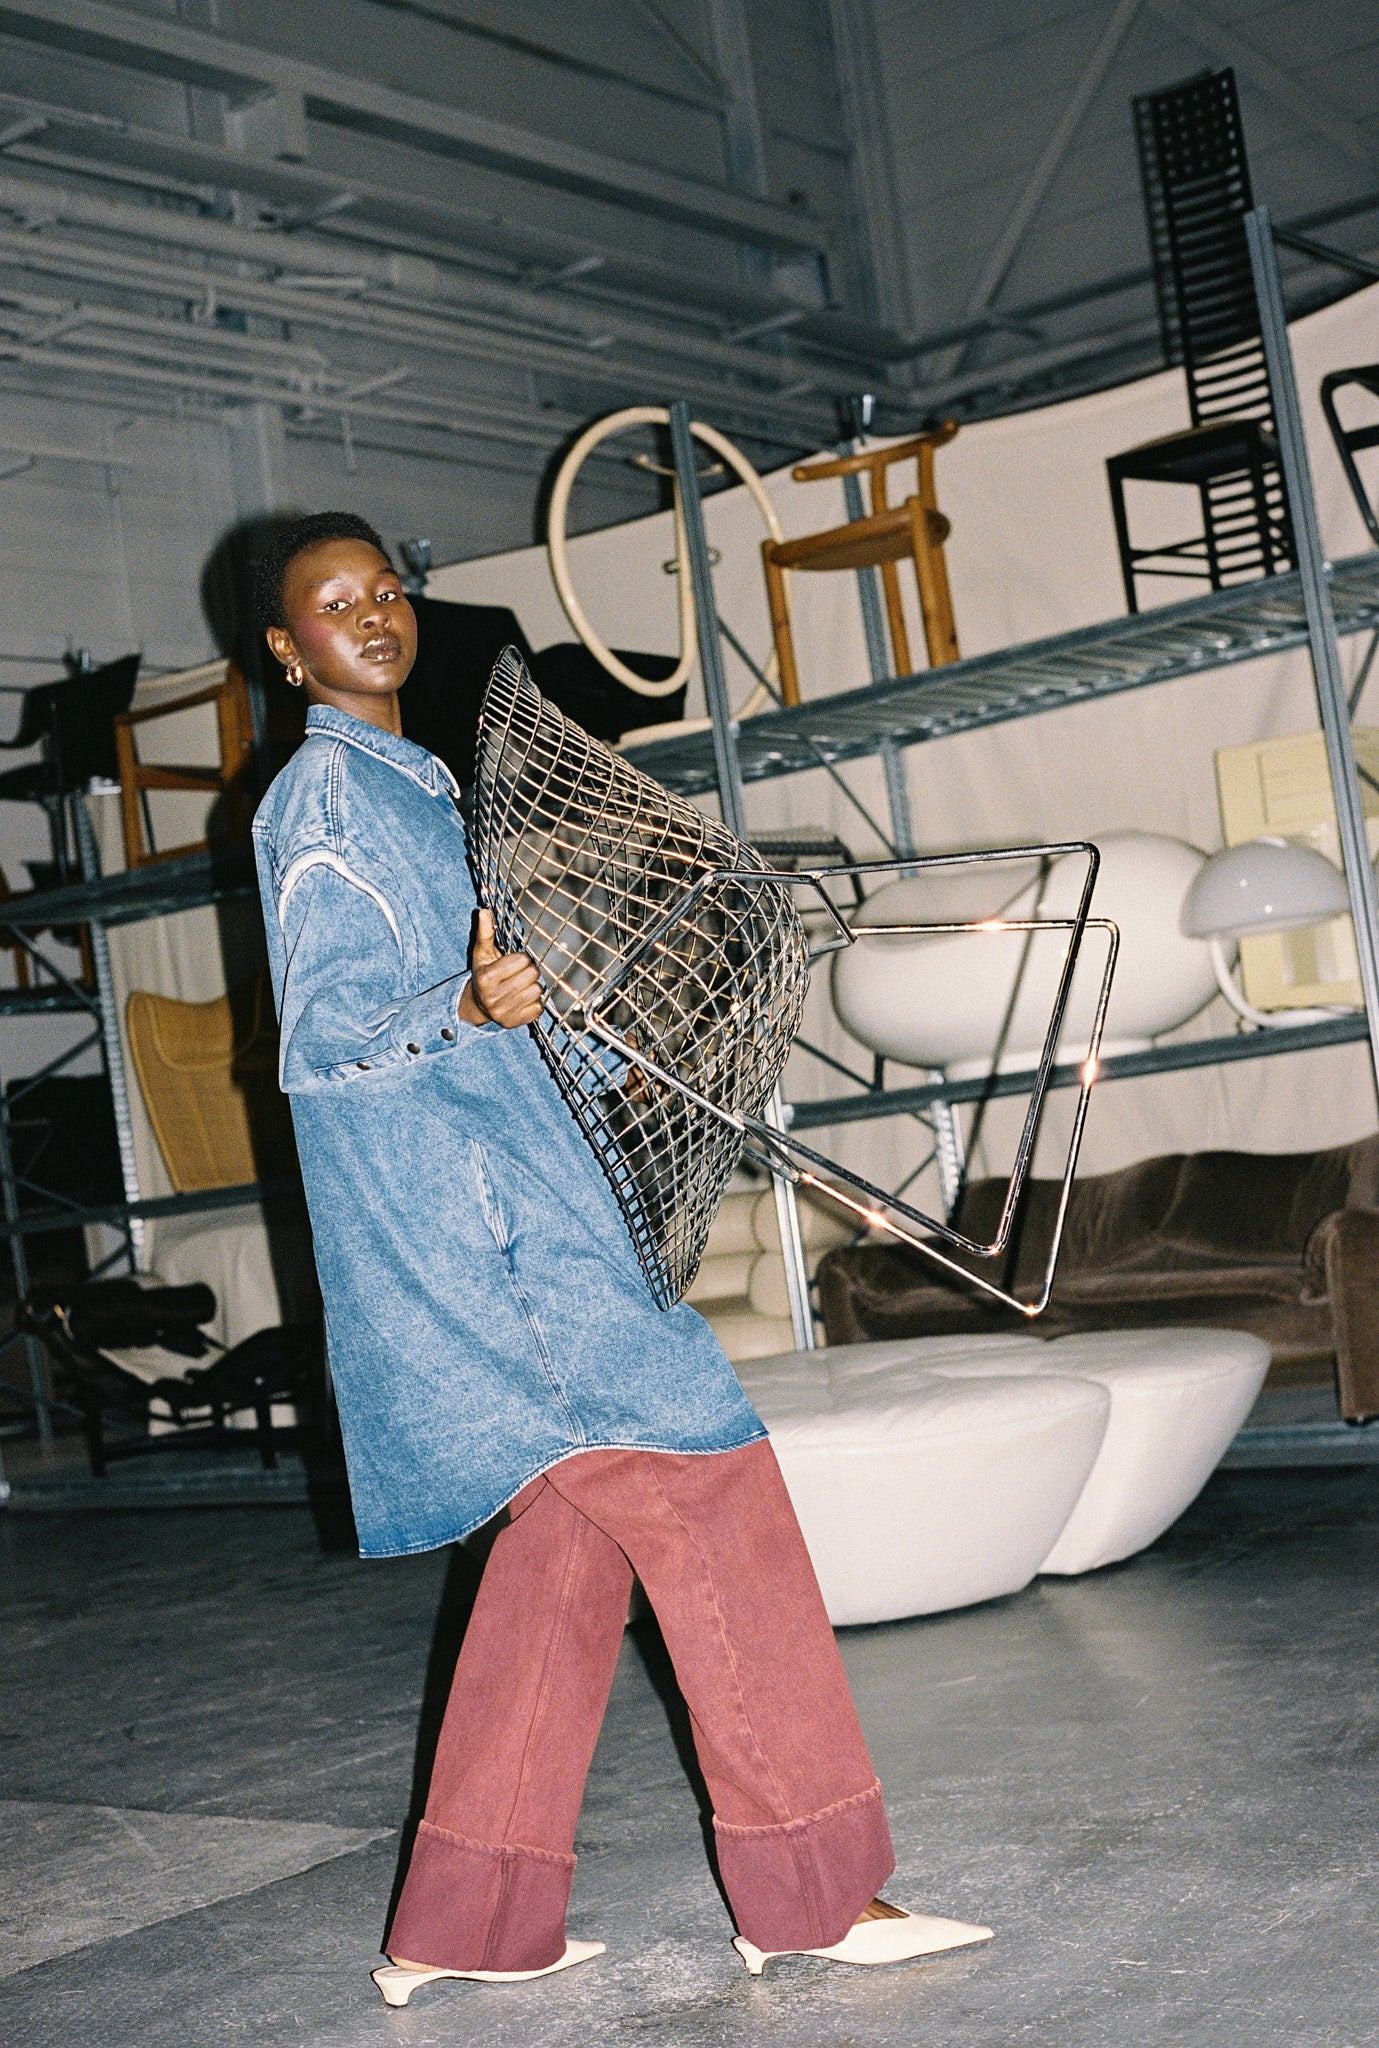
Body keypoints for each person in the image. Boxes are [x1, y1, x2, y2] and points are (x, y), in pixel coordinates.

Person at [251, 511, 991, 2005]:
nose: (374, 615)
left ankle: (464, 1925)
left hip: (525, 1208)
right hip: (502, 1246)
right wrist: (468, 1011)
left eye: (387, 589)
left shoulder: (424, 786)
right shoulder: (324, 801)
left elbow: (498, 1007)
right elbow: (325, 1045)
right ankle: (812, 1895)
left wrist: (597, 1052)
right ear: (287, 649)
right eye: (335, 603)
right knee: (715, 1493)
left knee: (564, 1553)